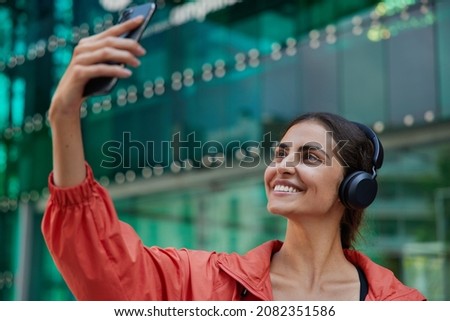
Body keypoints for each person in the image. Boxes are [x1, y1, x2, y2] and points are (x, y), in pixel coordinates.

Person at [41, 16, 426, 301]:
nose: (283, 166)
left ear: (354, 188)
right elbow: (105, 270)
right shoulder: (208, 283)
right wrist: (63, 117)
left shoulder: (399, 304)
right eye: (280, 153)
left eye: (310, 156)